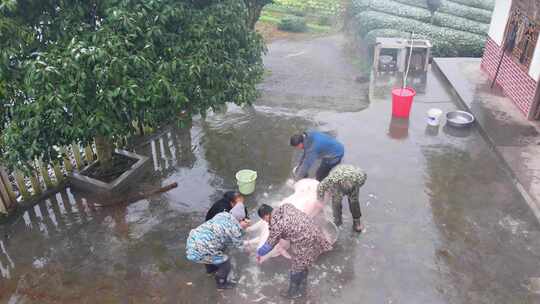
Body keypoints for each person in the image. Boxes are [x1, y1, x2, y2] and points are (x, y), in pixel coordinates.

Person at [256, 204, 332, 299]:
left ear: (266, 215)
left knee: (296, 268)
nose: (266, 221)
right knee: (304, 261)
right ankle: (303, 279)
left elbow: (269, 245)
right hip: (315, 231)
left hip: (305, 241)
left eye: (264, 219)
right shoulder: (286, 206)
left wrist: (259, 253)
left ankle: (293, 292)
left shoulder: (276, 225)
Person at [186, 203, 250, 289]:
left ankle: (210, 271)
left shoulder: (222, 215)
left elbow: (222, 235)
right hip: (201, 251)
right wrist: (243, 229)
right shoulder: (234, 228)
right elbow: (239, 245)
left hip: (193, 242)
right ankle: (221, 284)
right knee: (225, 263)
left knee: (210, 251)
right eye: (244, 220)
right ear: (241, 219)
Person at [318, 164, 367, 232]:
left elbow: (363, 177)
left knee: (354, 202)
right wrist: (320, 200)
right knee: (336, 202)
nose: (348, 186)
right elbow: (321, 186)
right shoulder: (333, 179)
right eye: (347, 184)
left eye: (350, 184)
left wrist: (353, 187)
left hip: (352, 183)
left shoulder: (357, 177)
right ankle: (338, 220)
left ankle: (357, 221)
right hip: (338, 186)